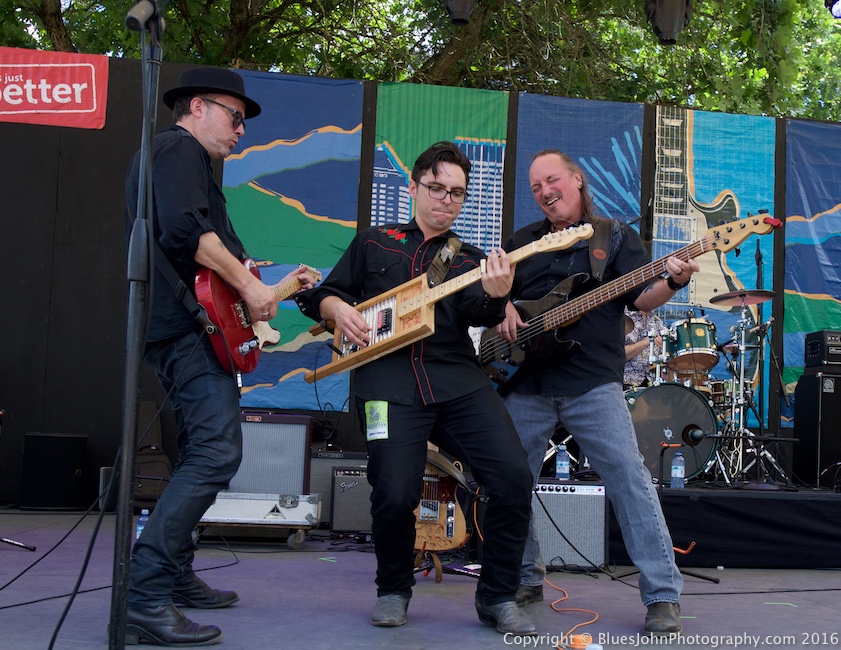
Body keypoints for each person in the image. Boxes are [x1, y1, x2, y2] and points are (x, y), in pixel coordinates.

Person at [295, 141, 537, 636]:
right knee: (393, 491)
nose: (447, 200)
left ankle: (498, 597)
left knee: (513, 478)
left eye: (457, 193)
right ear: (413, 186)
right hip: (387, 384)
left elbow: (478, 313)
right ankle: (393, 589)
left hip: (458, 381)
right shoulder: (374, 242)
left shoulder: (470, 259)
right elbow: (325, 295)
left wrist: (497, 297)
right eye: (437, 188)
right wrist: (335, 308)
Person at [122, 68, 316, 646]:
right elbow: (186, 230)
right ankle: (144, 594)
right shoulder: (178, 148)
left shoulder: (181, 161)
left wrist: (264, 291)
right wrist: (253, 288)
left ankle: (174, 576)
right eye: (235, 116)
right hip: (186, 332)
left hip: (190, 329)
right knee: (216, 451)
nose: (241, 130)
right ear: (197, 107)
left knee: (199, 451)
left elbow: (208, 253)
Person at [496, 149, 699, 636]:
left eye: (552, 180)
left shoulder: (615, 237)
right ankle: (525, 576)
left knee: (630, 479)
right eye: (536, 187)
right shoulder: (520, 243)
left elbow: (643, 297)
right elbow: (493, 295)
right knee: (507, 482)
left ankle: (662, 595)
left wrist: (673, 280)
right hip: (525, 381)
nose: (545, 192)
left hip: (591, 382)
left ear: (577, 179)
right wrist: (502, 306)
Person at [624, 308, 667, 389]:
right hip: (626, 383)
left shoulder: (658, 322)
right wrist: (648, 341)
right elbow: (617, 355)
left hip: (652, 385)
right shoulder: (622, 317)